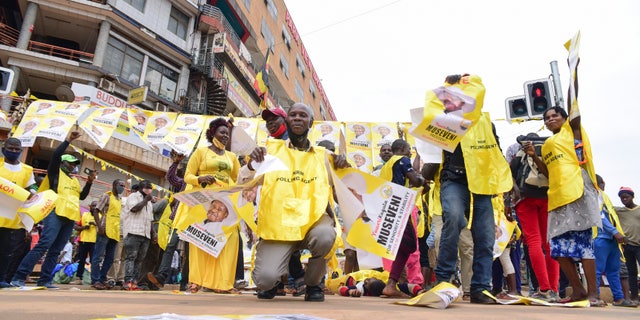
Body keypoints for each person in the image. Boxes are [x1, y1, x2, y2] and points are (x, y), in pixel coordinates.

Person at [248, 103, 349, 302]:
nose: (297, 118)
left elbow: (345, 190)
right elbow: (244, 181)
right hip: (279, 225)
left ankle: (313, 284)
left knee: (325, 235)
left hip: (312, 223)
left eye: (303, 115)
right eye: (292, 114)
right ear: (287, 120)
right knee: (264, 280)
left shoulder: (324, 157)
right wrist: (252, 163)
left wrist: (344, 167)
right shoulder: (270, 151)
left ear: (311, 122)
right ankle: (274, 279)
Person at [426, 76, 512, 304]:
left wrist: (503, 186)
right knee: (453, 219)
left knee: (484, 237)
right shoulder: (443, 119)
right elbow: (430, 156)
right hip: (454, 180)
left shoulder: (486, 123)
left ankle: (480, 288)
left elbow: (495, 154)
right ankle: (443, 281)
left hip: (482, 185)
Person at [524, 96, 602, 306]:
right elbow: (548, 173)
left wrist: (572, 75)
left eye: (554, 115)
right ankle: (578, 290)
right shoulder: (548, 144)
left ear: (565, 118)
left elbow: (574, 109)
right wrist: (534, 156)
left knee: (584, 244)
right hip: (557, 197)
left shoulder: (572, 130)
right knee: (557, 248)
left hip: (578, 191)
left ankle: (594, 294)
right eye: (546, 117)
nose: (550, 119)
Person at [10, 131, 96, 289]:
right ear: (62, 163)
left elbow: (82, 196)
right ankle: (19, 276)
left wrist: (89, 183)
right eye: (70, 163)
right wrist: (68, 140)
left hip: (69, 218)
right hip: (55, 214)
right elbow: (56, 155)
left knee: (56, 251)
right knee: (44, 245)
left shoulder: (74, 181)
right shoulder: (55, 174)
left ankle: (45, 280)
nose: (73, 166)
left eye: (75, 164)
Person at [171, 118, 241, 293]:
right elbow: (187, 176)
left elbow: (239, 179)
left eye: (227, 133)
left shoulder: (232, 157)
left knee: (227, 240)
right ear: (212, 133)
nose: (225, 136)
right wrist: (199, 179)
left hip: (225, 202)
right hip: (203, 200)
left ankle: (223, 283)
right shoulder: (201, 152)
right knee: (200, 240)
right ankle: (196, 281)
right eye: (222, 132)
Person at [509, 133, 559, 301]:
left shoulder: (519, 154)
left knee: (534, 242)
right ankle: (554, 288)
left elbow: (511, 179)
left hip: (525, 201)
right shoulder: (548, 151)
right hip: (547, 200)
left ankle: (544, 288)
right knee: (549, 244)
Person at [378, 139, 426, 297]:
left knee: (400, 245)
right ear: (403, 149)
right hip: (399, 207)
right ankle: (393, 284)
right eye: (408, 150)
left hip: (387, 207)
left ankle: (392, 284)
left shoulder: (386, 166)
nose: (410, 153)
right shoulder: (402, 160)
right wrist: (422, 181)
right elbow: (414, 179)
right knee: (410, 244)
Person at [0, 138, 38, 288]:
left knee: (6, 252)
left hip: (13, 218)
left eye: (17, 149)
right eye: (11, 148)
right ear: (4, 148)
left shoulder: (27, 170)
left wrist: (34, 194)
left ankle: (2, 279)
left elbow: (32, 188)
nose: (14, 151)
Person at [147, 151, 187, 290]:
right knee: (170, 247)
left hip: (194, 223)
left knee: (189, 253)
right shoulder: (184, 183)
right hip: (179, 220)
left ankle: (185, 283)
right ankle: (161, 277)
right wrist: (176, 162)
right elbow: (170, 177)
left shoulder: (204, 184)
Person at [594, 175, 635, 307]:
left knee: (614, 271)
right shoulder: (594, 196)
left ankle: (619, 298)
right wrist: (614, 232)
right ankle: (596, 297)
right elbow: (600, 217)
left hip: (613, 240)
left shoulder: (604, 197)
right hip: (601, 238)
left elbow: (611, 216)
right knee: (597, 270)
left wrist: (617, 234)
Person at [121, 180, 157, 290]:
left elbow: (150, 219)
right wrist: (146, 200)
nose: (149, 190)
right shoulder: (133, 196)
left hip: (145, 234)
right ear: (141, 187)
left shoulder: (149, 203)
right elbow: (134, 209)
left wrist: (154, 233)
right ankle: (128, 281)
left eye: (150, 188)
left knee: (140, 260)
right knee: (131, 258)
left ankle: (135, 282)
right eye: (147, 187)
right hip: (133, 232)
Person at [90, 179, 126, 290]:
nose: (122, 187)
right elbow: (96, 210)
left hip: (114, 232)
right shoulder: (106, 196)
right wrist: (99, 226)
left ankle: (102, 279)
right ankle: (95, 280)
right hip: (104, 229)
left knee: (110, 258)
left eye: (124, 186)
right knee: (98, 257)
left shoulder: (120, 199)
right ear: (114, 185)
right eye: (121, 185)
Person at [616, 186, 640, 303]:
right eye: (622, 198)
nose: (624, 199)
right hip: (626, 246)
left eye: (626, 197)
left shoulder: (639, 210)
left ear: (632, 197)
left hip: (639, 245)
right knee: (631, 272)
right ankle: (634, 297)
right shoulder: (620, 211)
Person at [69, 201, 98, 285]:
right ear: (90, 207)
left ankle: (94, 279)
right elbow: (76, 226)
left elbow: (103, 228)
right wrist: (84, 227)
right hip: (83, 241)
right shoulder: (84, 215)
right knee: (81, 260)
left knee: (94, 261)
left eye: (96, 206)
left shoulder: (100, 216)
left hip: (95, 242)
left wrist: (96, 224)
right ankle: (79, 278)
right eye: (93, 206)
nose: (94, 207)